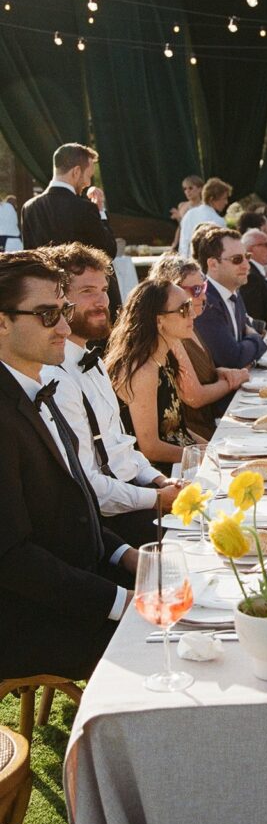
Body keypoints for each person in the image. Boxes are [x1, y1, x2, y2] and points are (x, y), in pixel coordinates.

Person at [0, 250, 136, 678]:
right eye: (46, 315)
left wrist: (128, 555)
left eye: (63, 311)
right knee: (186, 643)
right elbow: (13, 559)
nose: (63, 327)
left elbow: (75, 511)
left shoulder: (39, 382)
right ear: (2, 322)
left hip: (81, 583)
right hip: (31, 621)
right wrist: (121, 602)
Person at [39, 244, 182, 547]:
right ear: (59, 301)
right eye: (88, 291)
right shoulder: (55, 379)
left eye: (103, 289)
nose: (102, 300)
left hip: (138, 493)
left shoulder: (95, 362)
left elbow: (122, 447)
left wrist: (159, 479)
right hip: (113, 522)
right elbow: (92, 488)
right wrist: (156, 498)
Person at [107, 279, 199, 476]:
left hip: (182, 462)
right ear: (159, 321)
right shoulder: (142, 370)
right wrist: (201, 456)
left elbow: (179, 429)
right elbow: (150, 448)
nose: (193, 313)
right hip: (160, 476)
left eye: (190, 305)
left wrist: (213, 449)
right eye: (184, 309)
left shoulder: (164, 359)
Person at [150, 253, 249, 436]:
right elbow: (194, 396)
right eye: (196, 290)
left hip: (211, 424)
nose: (204, 297)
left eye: (203, 287)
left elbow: (194, 372)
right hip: (196, 437)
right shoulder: (171, 335)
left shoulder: (191, 324)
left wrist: (221, 372)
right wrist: (235, 380)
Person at [20, 142, 121, 312]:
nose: (88, 183)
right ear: (76, 172)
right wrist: (100, 212)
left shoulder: (29, 208)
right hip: (86, 302)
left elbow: (31, 256)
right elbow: (109, 250)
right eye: (88, 176)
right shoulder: (84, 207)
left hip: (49, 300)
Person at [193, 228, 267, 408]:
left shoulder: (231, 288)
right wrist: (256, 338)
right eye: (237, 260)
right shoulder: (206, 302)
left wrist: (250, 340)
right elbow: (234, 359)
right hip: (224, 409)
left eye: (247, 257)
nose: (247, 265)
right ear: (213, 264)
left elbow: (244, 352)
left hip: (242, 393)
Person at [238, 228, 267, 328]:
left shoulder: (256, 270)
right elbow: (256, 318)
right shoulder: (250, 277)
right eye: (266, 245)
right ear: (250, 249)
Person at [178, 177, 232, 257]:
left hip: (188, 263)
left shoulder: (189, 214)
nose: (226, 202)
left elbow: (183, 244)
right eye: (224, 198)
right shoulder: (218, 221)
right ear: (211, 199)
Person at [170, 175, 204, 251]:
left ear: (200, 189)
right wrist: (175, 243)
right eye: (185, 189)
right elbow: (181, 227)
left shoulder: (204, 206)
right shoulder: (182, 205)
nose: (187, 191)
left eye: (190, 188)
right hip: (184, 241)